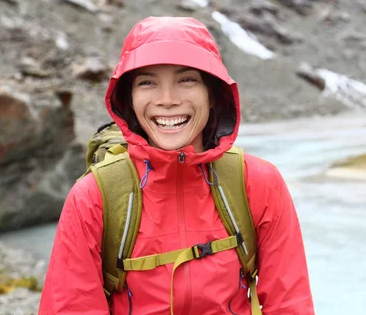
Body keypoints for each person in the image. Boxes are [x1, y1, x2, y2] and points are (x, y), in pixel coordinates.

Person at [38, 17, 315, 314]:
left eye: (187, 80)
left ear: (213, 96)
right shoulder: (93, 196)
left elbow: (290, 304)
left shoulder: (258, 182)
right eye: (147, 82)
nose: (167, 100)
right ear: (129, 100)